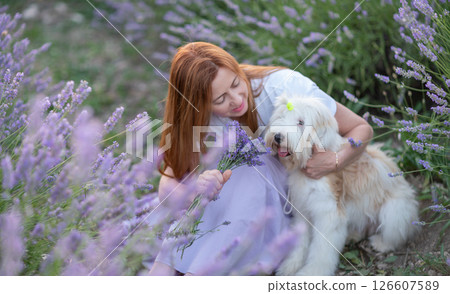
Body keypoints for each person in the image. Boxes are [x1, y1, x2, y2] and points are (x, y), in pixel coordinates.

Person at [149, 42, 373, 275]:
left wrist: (337, 159)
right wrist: (196, 188)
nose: (236, 99)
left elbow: (361, 128)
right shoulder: (196, 117)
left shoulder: (283, 87)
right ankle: (167, 269)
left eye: (236, 83)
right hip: (232, 198)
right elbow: (167, 185)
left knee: (252, 165)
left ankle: (196, 273)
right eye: (220, 99)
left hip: (286, 199)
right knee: (232, 171)